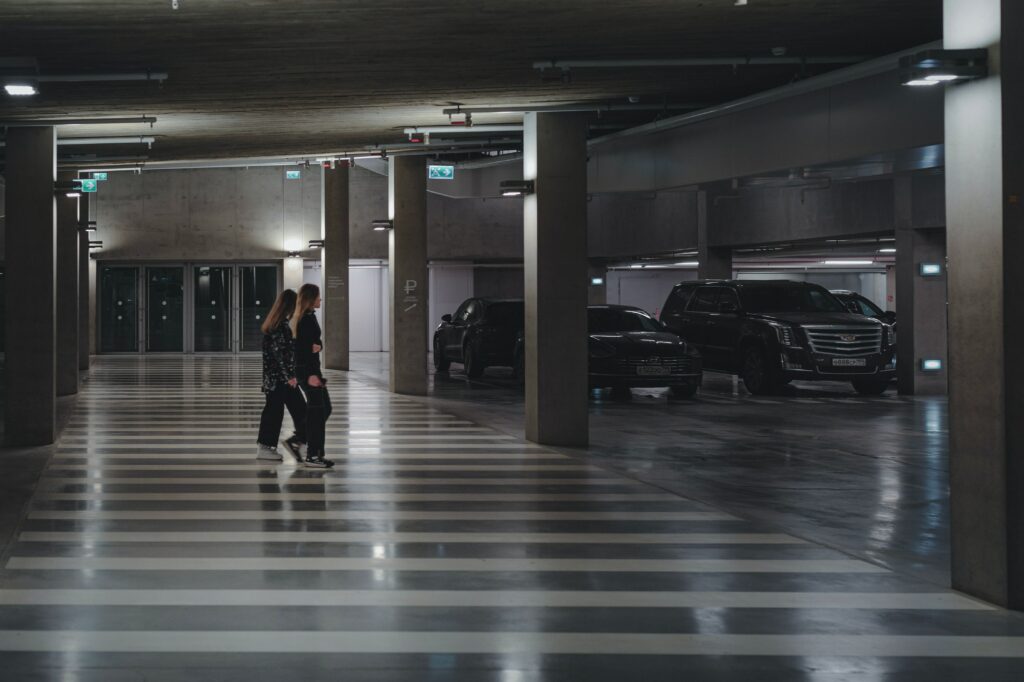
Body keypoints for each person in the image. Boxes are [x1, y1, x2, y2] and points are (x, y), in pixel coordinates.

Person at [256, 289, 307, 462]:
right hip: (280, 380)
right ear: (290, 306)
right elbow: (279, 355)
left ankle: (299, 442)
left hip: (278, 379)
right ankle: (266, 448)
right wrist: (289, 376)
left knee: (297, 411)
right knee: (274, 413)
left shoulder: (276, 325)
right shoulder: (279, 327)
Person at [293, 283, 334, 468]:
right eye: (318, 296)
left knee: (324, 408)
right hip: (308, 371)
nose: (320, 299)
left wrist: (319, 345)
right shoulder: (302, 319)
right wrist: (310, 374)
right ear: (310, 299)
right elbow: (298, 347)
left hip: (312, 369)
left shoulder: (309, 316)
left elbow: (314, 342)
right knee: (318, 410)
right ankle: (313, 456)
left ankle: (299, 440)